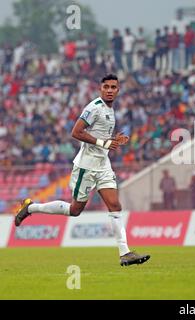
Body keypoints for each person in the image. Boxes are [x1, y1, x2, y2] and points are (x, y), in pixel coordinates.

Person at [14, 74, 150, 267]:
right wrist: (104, 142)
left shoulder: (111, 111)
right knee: (75, 210)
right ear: (100, 89)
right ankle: (31, 207)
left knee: (115, 205)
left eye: (113, 87)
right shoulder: (93, 108)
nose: (110, 90)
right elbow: (76, 132)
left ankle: (125, 253)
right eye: (106, 87)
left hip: (103, 165)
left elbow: (99, 136)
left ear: (118, 90)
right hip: (86, 167)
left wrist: (113, 140)